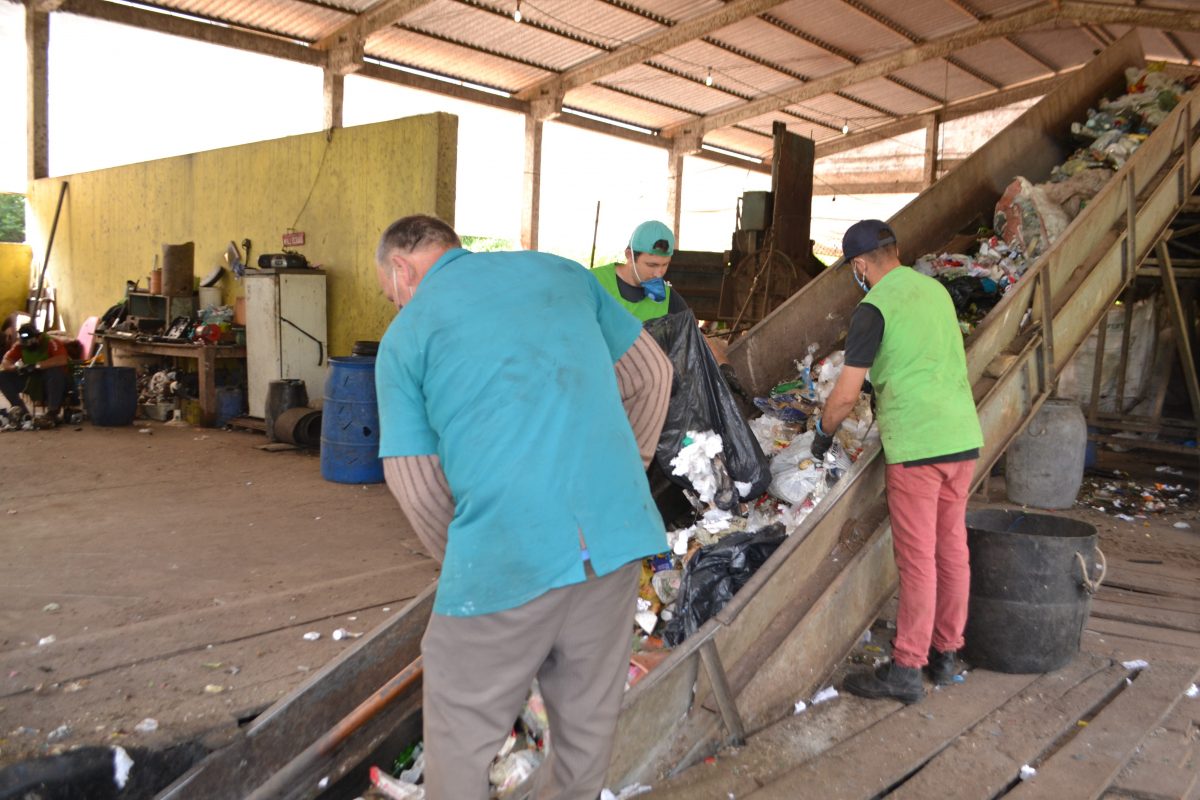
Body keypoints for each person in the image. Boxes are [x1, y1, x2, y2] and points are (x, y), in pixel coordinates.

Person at [373, 215, 674, 800]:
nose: (396, 306)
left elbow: (413, 478)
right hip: (617, 540)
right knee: (586, 732)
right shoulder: (563, 274)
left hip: (507, 552)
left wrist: (469, 561)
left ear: (402, 269)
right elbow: (652, 375)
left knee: (460, 735)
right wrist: (619, 477)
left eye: (392, 296)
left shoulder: (407, 337)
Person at [811, 219, 983, 705]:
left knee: (917, 559)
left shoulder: (872, 309)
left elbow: (844, 396)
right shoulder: (936, 292)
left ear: (860, 266)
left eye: (854, 269)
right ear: (897, 251)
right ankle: (946, 656)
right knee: (951, 549)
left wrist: (822, 435)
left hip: (918, 447)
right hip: (961, 436)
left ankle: (907, 668)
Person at [0, 323, 69, 427]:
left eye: (31, 341)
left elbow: (62, 359)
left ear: (38, 336)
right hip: (31, 379)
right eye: (25, 343)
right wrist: (16, 368)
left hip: (51, 380)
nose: (28, 345)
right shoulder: (19, 345)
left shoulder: (51, 342)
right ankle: (22, 412)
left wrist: (38, 365)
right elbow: (6, 361)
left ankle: (52, 412)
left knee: (55, 372)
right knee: (3, 376)